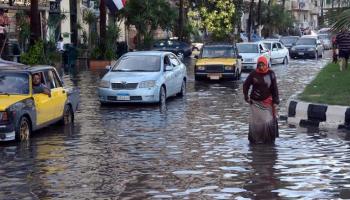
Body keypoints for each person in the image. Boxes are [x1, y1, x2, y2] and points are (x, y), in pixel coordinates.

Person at [243, 56, 279, 144]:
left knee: (267, 121)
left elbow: (274, 88)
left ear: (266, 64)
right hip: (255, 103)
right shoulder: (253, 74)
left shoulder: (271, 74)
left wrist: (275, 101)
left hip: (267, 102)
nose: (261, 67)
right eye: (259, 65)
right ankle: (255, 140)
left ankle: (268, 140)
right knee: (256, 123)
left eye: (263, 65)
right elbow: (246, 85)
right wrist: (246, 97)